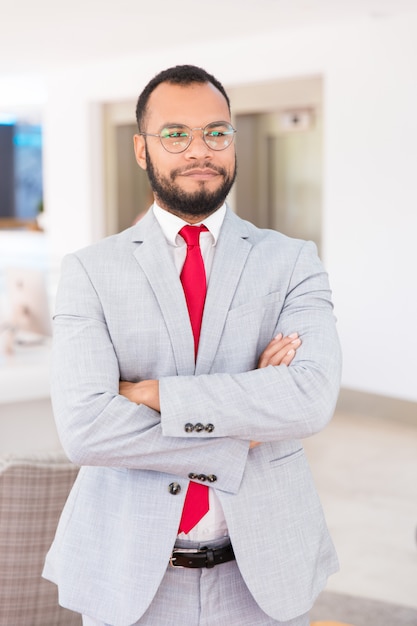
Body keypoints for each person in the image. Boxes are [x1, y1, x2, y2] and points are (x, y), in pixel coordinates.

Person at [43, 64, 342, 626]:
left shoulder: (293, 259)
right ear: (142, 150)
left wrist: (155, 394)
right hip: (130, 575)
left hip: (263, 575)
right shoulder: (89, 271)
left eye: (217, 132)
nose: (199, 149)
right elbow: (85, 427)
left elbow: (310, 398)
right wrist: (246, 423)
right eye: (175, 134)